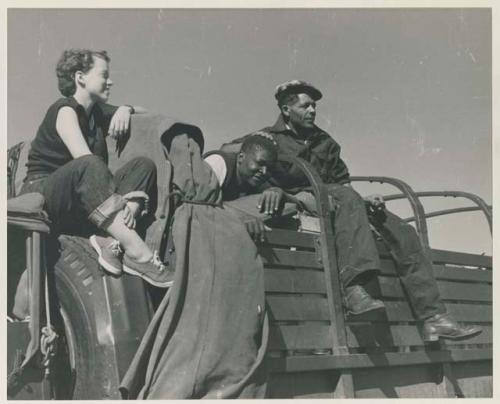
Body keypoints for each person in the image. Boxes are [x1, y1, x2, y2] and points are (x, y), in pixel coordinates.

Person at [220, 80, 482, 342]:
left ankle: (433, 318)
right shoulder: (269, 138)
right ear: (286, 110)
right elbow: (234, 153)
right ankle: (353, 289)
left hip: (336, 199)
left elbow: (343, 183)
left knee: (402, 230)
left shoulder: (326, 142)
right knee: (345, 196)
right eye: (306, 106)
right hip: (296, 200)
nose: (312, 111)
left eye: (314, 106)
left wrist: (366, 201)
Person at [18, 48, 170, 289]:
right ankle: (138, 253)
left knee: (144, 166)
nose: (111, 81)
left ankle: (111, 241)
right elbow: (84, 161)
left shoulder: (96, 113)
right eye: (103, 75)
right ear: (80, 78)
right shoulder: (64, 110)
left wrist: (126, 108)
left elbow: (145, 113)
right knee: (89, 164)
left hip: (80, 195)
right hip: (43, 190)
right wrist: (122, 202)